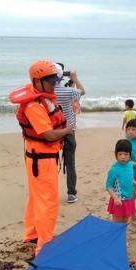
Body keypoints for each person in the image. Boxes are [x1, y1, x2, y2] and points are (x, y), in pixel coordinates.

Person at [9, 60, 73, 256]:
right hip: (41, 159)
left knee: (36, 198)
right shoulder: (33, 106)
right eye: (51, 81)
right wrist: (68, 129)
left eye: (56, 80)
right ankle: (44, 246)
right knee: (48, 201)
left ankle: (31, 234)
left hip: (38, 157)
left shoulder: (41, 98)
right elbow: (49, 135)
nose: (55, 84)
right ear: (37, 82)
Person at [54, 63, 85, 204]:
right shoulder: (67, 92)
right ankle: (71, 193)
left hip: (52, 131)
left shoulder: (46, 93)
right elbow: (82, 91)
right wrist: (75, 78)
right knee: (70, 164)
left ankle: (50, 192)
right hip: (68, 132)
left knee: (51, 163)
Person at [106, 139, 136, 223]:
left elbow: (130, 179)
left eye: (126, 154)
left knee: (124, 223)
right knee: (117, 225)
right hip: (118, 201)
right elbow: (108, 186)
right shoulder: (114, 169)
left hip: (128, 199)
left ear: (130, 155)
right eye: (120, 154)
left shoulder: (130, 166)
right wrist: (115, 198)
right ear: (115, 154)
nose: (123, 157)